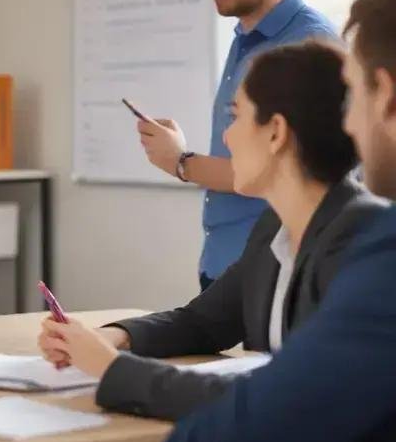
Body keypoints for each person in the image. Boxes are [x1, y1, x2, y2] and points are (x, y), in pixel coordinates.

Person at [37, 41, 387, 420]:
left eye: (236, 117)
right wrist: (115, 337)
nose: (226, 137)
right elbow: (203, 322)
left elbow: (282, 399)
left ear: (275, 132)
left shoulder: (362, 243)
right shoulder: (276, 226)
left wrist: (110, 369)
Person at [162, 0, 396, 442]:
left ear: (386, 97)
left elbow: (259, 421)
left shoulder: (379, 252)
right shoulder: (277, 231)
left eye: (356, 96)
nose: (349, 125)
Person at [137, 0, 337, 289]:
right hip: (224, 266)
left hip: (275, 272)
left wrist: (181, 161)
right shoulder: (246, 37)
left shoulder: (308, 44)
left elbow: (284, 170)